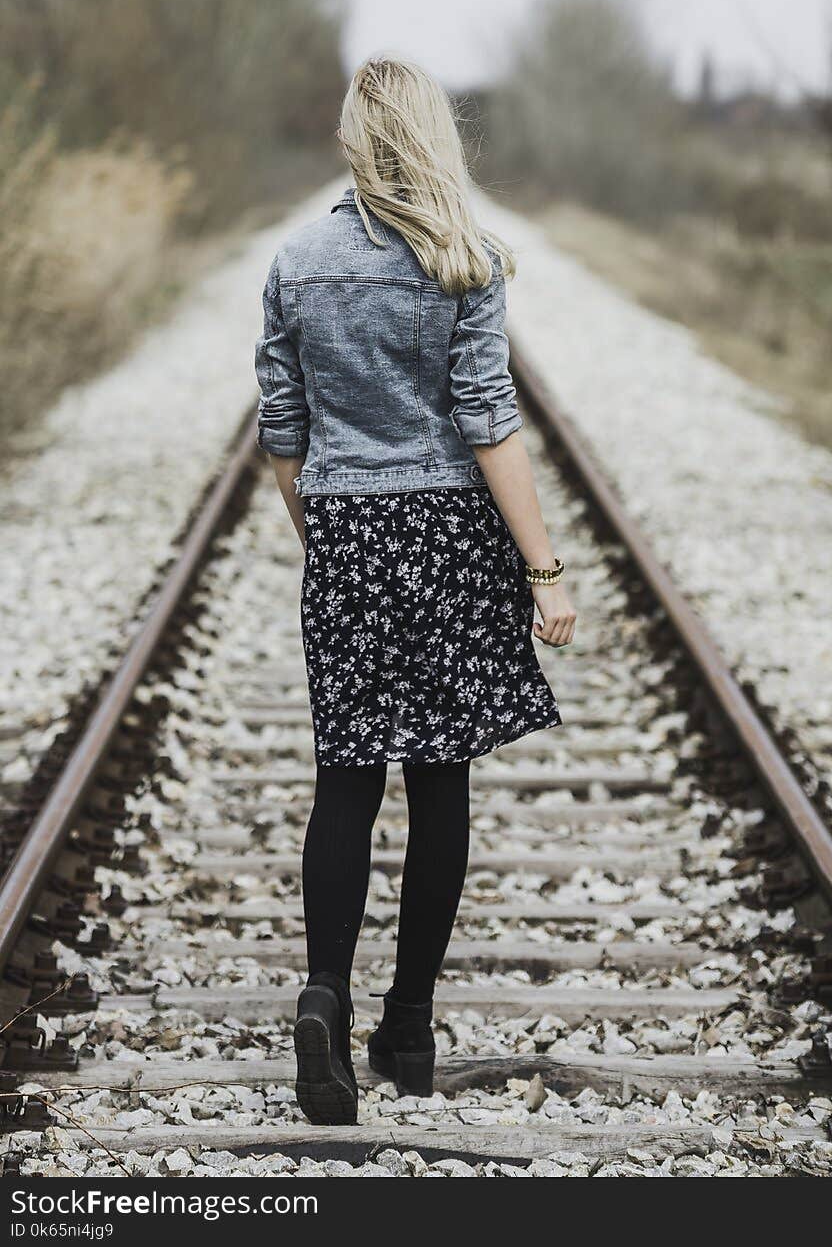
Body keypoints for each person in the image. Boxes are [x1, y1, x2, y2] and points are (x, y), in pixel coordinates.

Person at [254, 56, 576, 1125]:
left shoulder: (295, 262)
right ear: (432, 136)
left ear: (353, 137)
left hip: (347, 524)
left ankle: (323, 997)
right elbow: (487, 418)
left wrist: (329, 536)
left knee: (345, 774)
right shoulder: (463, 259)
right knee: (440, 781)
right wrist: (541, 567)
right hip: (448, 532)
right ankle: (407, 1024)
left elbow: (284, 435)